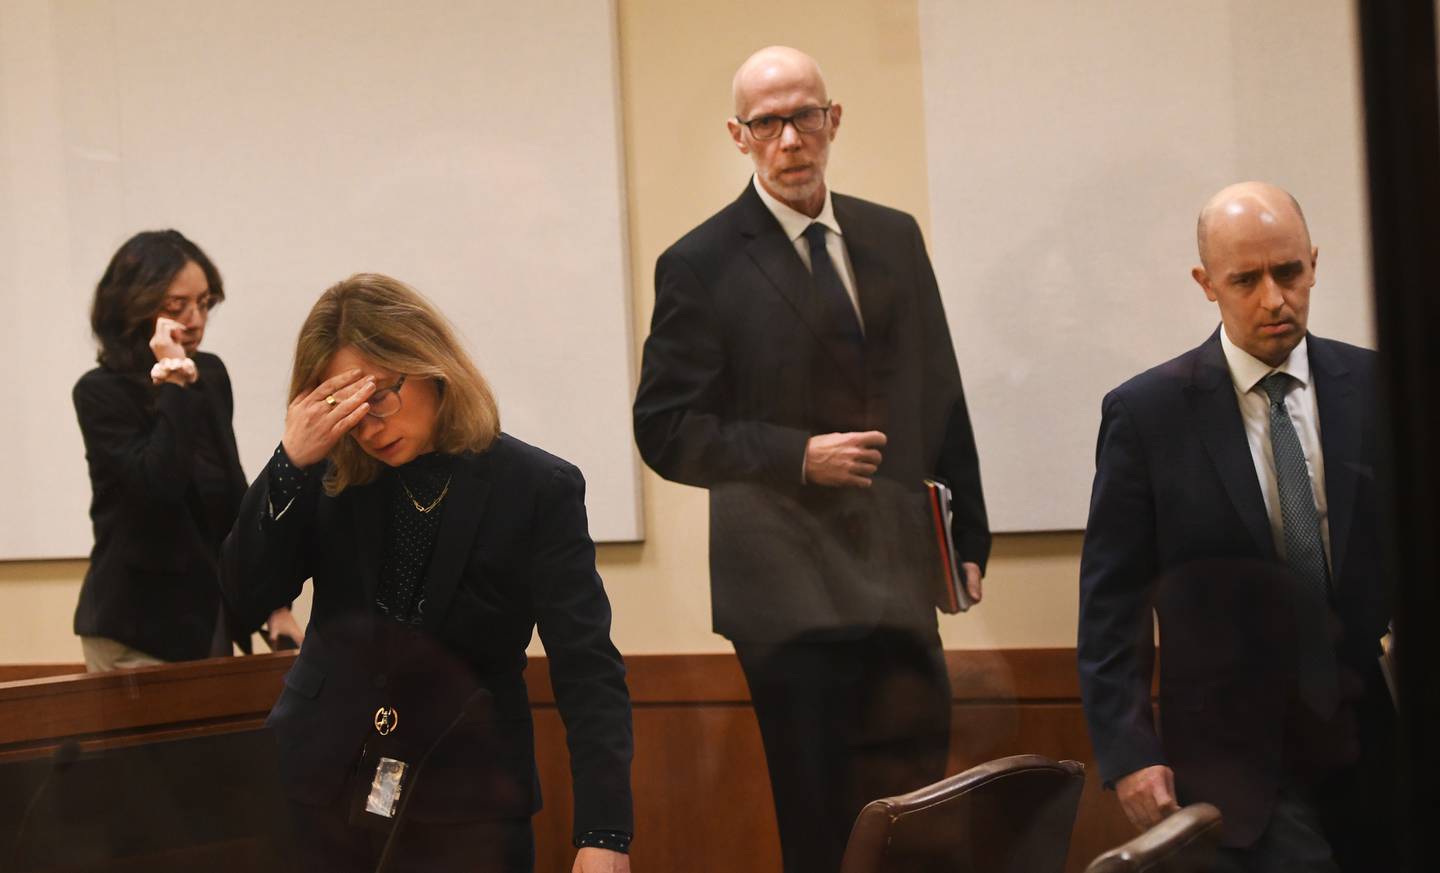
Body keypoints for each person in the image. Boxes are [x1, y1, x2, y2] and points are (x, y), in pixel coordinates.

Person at [633, 46, 989, 873]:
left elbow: (941, 392)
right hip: (785, 597)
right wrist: (797, 457)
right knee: (825, 833)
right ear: (739, 136)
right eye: (768, 123)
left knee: (919, 823)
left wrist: (968, 538)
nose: (790, 139)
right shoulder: (700, 262)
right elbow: (665, 428)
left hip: (898, 577)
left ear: (834, 120)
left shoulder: (892, 236)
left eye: (805, 116)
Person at [220, 273, 633, 873]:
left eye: (379, 397)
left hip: (467, 798)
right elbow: (246, 594)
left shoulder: (536, 488)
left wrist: (605, 832)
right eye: (343, 407)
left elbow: (586, 665)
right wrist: (289, 464)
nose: (367, 426)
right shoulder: (327, 474)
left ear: (429, 365)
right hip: (317, 782)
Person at [1077, 182, 1395, 871]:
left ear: (1314, 263)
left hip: (1375, 744)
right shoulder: (1148, 414)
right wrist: (1130, 753)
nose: (1274, 299)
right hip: (1235, 763)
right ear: (1207, 284)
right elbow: (1111, 606)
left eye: (1289, 272)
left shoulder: (1378, 387)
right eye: (1246, 280)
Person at [73, 229, 299, 672]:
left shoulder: (208, 375)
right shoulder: (100, 392)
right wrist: (174, 378)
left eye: (204, 303)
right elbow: (159, 488)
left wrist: (274, 604)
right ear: (133, 304)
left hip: (206, 621)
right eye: (177, 306)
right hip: (135, 629)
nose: (195, 320)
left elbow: (232, 496)